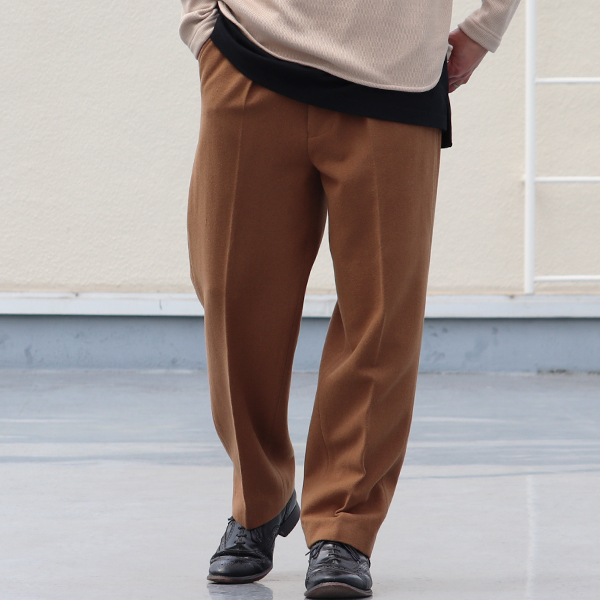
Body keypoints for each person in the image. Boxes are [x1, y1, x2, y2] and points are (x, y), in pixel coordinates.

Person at [179, 0, 520, 597]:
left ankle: (343, 527)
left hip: (396, 76)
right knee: (232, 296)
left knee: (381, 315)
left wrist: (485, 27)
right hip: (248, 50)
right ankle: (258, 499)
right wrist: (203, 25)